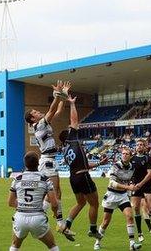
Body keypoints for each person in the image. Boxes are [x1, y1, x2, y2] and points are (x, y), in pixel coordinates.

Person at [24, 80, 74, 240]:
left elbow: (57, 112)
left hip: (50, 160)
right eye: (36, 112)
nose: (39, 112)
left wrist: (63, 97)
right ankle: (58, 223)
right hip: (47, 161)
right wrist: (58, 95)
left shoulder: (42, 124)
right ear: (32, 118)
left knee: (53, 192)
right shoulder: (39, 125)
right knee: (54, 192)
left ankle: (47, 218)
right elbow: (53, 109)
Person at [58, 93, 108, 241]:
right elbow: (74, 120)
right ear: (68, 136)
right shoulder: (72, 139)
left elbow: (84, 165)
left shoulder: (65, 150)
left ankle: (66, 225)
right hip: (83, 176)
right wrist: (72, 103)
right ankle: (93, 229)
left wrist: (99, 163)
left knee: (81, 202)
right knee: (94, 203)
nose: (71, 129)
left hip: (73, 177)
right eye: (69, 130)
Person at [7, 151, 60, 251]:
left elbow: (10, 202)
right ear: (38, 163)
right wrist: (55, 213)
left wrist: (24, 205)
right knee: (52, 245)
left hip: (20, 218)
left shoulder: (17, 179)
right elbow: (54, 203)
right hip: (38, 218)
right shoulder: (45, 180)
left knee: (15, 245)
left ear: (25, 163)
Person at [94, 148, 142, 251]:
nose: (124, 155)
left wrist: (131, 189)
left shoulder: (132, 168)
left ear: (130, 156)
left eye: (127, 154)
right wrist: (128, 187)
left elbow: (130, 181)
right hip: (111, 195)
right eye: (123, 153)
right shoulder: (116, 166)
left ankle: (132, 244)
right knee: (105, 222)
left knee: (130, 216)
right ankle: (97, 242)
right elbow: (112, 183)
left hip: (123, 196)